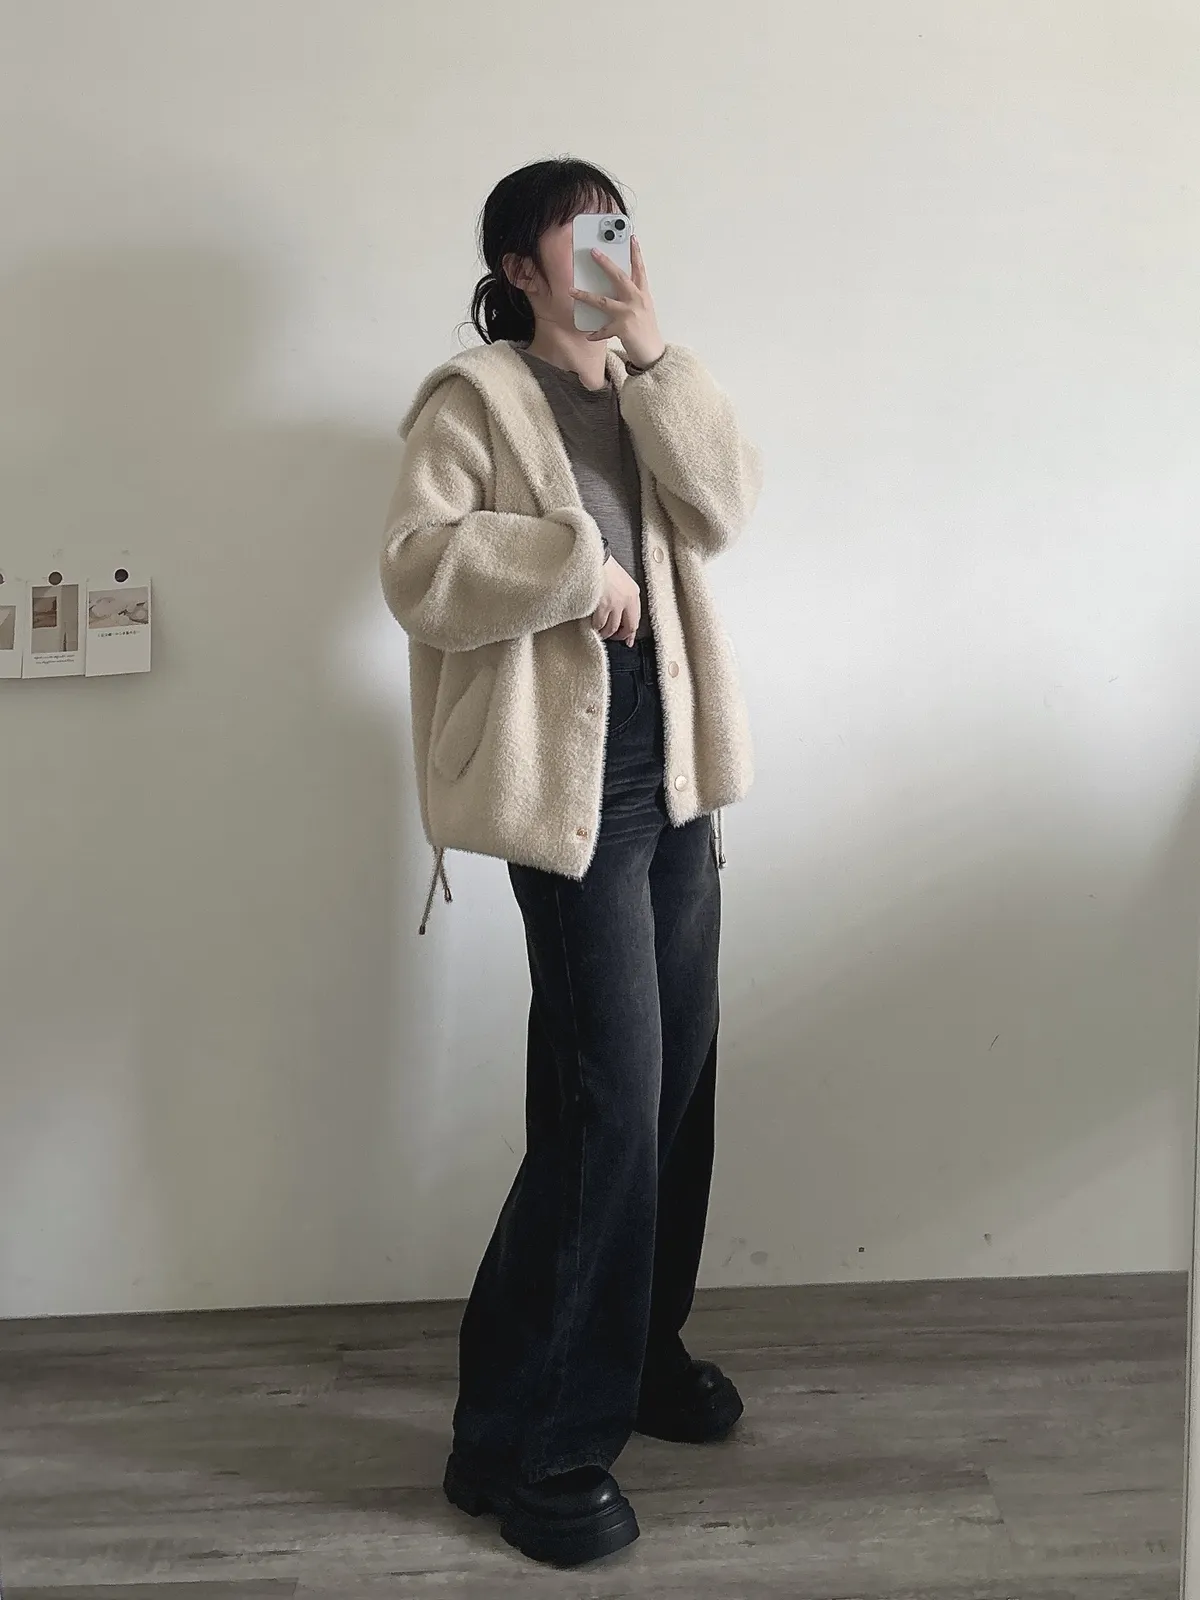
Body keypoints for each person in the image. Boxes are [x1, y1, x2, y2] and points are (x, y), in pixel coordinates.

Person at [380, 157, 762, 1568]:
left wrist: (656, 355)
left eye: (622, 224)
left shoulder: (642, 391)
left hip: (678, 768)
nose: (613, 246)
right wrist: (565, 564)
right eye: (582, 229)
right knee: (610, 1106)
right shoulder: (475, 400)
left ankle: (639, 1353)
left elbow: (724, 509)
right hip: (570, 786)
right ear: (520, 267)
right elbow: (417, 565)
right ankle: (536, 1445)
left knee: (674, 1088)